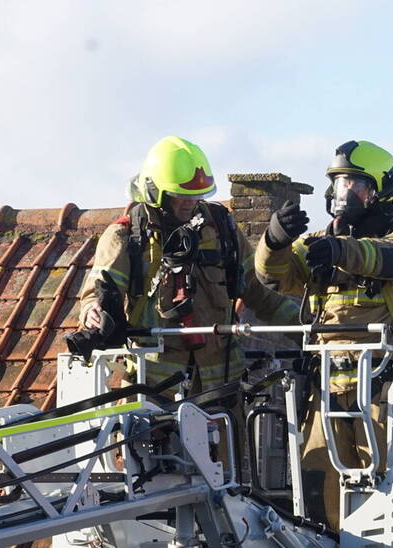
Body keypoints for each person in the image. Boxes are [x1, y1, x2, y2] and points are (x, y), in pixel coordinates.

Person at [254, 140, 393, 530]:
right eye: (338, 184)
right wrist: (275, 241)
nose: (342, 194)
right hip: (327, 387)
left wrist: (340, 250)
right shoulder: (320, 242)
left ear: (380, 191)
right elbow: (271, 277)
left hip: (385, 389)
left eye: (354, 184)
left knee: (386, 490)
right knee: (317, 486)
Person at [77, 135, 299, 402]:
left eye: (195, 195)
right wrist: (93, 313)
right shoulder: (126, 237)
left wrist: (307, 328)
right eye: (179, 195)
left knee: (231, 443)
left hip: (222, 390)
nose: (189, 202)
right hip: (155, 392)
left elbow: (259, 292)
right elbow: (95, 295)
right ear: (153, 191)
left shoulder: (220, 228)